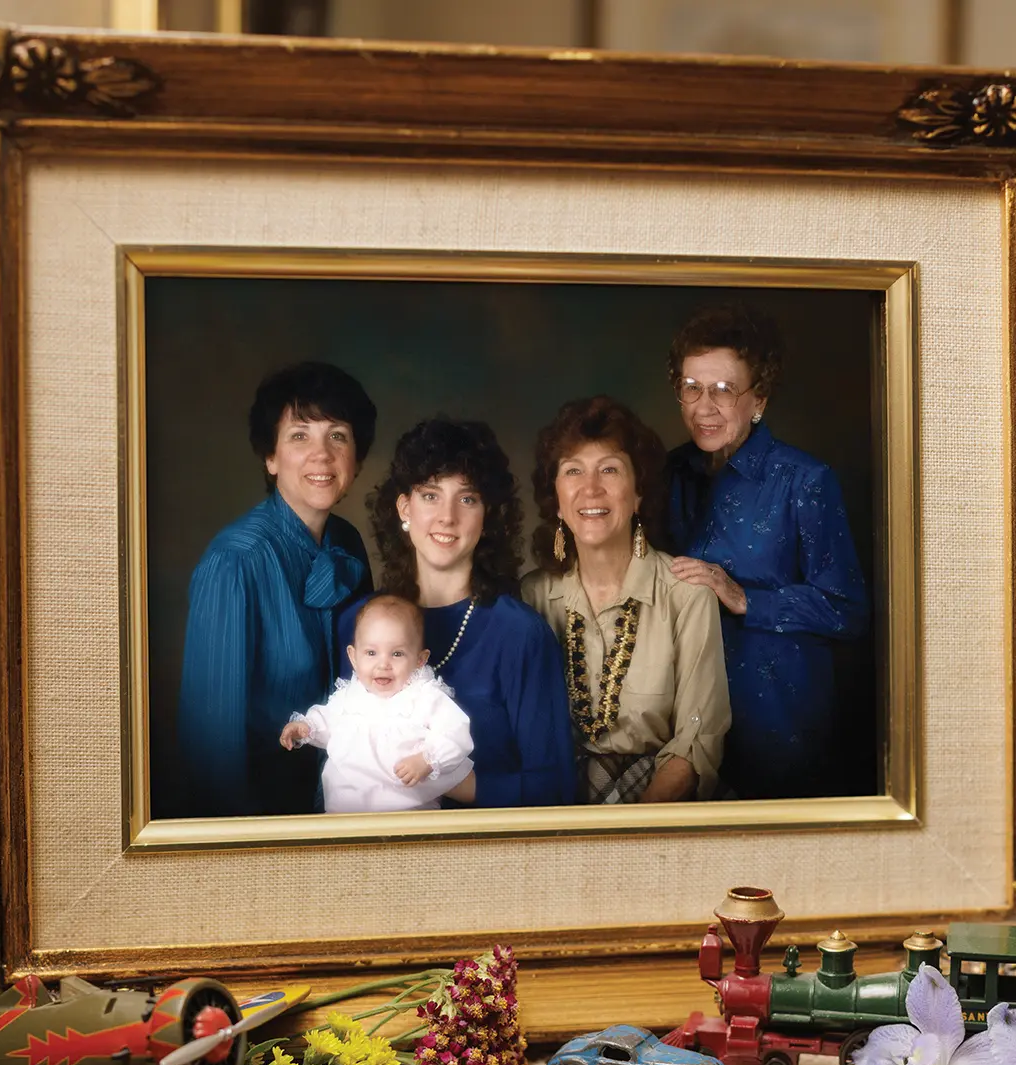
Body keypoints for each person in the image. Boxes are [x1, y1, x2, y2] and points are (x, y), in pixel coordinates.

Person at [663, 305, 868, 798]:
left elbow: (849, 611)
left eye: (723, 390)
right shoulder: (666, 473)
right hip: (684, 722)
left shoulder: (805, 480)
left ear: (759, 400)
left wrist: (745, 597)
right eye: (692, 387)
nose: (703, 406)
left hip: (778, 723)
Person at [178, 361, 375, 817]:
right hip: (264, 819)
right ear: (270, 457)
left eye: (338, 436)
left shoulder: (348, 543)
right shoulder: (235, 561)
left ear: (357, 459)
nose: (321, 455)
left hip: (351, 803)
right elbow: (212, 752)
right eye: (299, 435)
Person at [347, 417, 575, 808]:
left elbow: (556, 788)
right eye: (430, 495)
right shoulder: (355, 625)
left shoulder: (520, 635)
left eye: (467, 498)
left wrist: (445, 782)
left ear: (487, 516)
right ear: (405, 508)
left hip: (489, 854)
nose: (447, 517)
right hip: (372, 854)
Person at [521, 395, 730, 804]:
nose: (591, 488)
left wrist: (630, 830)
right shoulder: (532, 596)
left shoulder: (687, 593)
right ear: (557, 500)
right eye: (573, 471)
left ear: (638, 494)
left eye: (610, 469)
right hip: (558, 800)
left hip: (661, 802)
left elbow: (696, 741)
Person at [280, 594, 473, 813]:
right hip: (345, 810)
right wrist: (306, 728)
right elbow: (328, 722)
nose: (383, 664)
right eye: (371, 653)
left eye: (397, 654)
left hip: (408, 812)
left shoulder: (424, 696)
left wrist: (427, 760)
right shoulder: (350, 696)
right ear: (353, 657)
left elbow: (455, 731)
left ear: (420, 659)